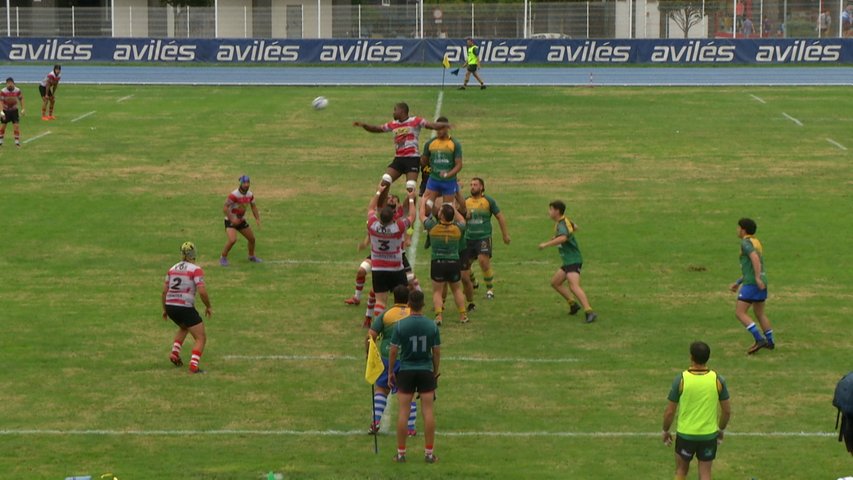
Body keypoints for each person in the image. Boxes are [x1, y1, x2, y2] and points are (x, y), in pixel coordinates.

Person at [662, 341, 731, 480]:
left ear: (691, 357)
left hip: (686, 435)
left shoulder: (681, 380)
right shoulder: (717, 380)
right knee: (705, 474)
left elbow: (670, 412)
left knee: (681, 471)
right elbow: (727, 411)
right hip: (708, 435)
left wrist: (665, 430)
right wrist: (721, 430)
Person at [388, 290, 441, 464]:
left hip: (406, 371)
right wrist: (435, 371)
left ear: (409, 304)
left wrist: (390, 372)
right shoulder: (432, 325)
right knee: (428, 411)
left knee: (403, 411)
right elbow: (436, 351)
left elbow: (394, 350)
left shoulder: (400, 325)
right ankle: (429, 454)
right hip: (425, 370)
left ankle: (401, 454)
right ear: (423, 304)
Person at [353, 103, 450, 191]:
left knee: (410, 187)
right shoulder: (393, 124)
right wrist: (364, 125)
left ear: (402, 111)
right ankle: (378, 208)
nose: (393, 112)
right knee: (385, 181)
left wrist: (446, 125)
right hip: (398, 159)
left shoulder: (416, 121)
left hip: (412, 159)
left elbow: (431, 125)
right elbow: (377, 129)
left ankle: (410, 207)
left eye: (395, 110)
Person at [367, 285, 418, 436]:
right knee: (409, 393)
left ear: (393, 297)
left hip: (387, 357)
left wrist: (369, 354)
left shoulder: (386, 315)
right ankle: (410, 428)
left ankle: (375, 422)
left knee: (382, 389)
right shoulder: (413, 315)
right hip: (408, 359)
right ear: (408, 298)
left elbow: (370, 336)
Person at [538, 200, 597, 323]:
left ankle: (589, 311)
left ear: (557, 211)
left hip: (573, 259)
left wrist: (547, 244)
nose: (549, 212)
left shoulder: (562, 224)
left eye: (550, 209)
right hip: (568, 260)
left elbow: (564, 238)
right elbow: (575, 227)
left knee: (574, 286)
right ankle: (573, 304)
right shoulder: (564, 221)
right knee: (555, 282)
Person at [367, 182, 417, 320]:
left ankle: (378, 326)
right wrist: (411, 198)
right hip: (395, 268)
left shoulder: (372, 225)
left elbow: (371, 208)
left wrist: (378, 192)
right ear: (393, 218)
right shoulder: (398, 227)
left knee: (380, 302)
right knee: (403, 301)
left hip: (378, 269)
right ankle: (404, 323)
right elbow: (412, 217)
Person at [162, 242, 213, 374]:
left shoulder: (172, 268)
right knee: (201, 338)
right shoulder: (195, 269)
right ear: (194, 253)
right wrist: (208, 306)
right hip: (184, 306)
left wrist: (164, 309)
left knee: (184, 327)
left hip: (170, 305)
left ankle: (175, 353)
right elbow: (202, 291)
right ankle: (194, 366)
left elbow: (164, 291)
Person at [729, 218, 775, 354]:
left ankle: (759, 339)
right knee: (759, 313)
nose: (737, 230)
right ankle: (770, 342)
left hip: (753, 283)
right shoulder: (756, 242)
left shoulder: (746, 243)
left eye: (738, 228)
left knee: (740, 312)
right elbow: (753, 266)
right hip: (761, 282)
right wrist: (738, 282)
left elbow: (754, 258)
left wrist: (756, 278)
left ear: (743, 230)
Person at [461, 177, 510, 305]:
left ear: (482, 187)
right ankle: (474, 282)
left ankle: (490, 290)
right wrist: (464, 216)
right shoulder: (465, 201)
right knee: (465, 267)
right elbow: (459, 218)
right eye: (471, 184)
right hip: (468, 238)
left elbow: (500, 217)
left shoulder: (488, 201)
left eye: (475, 184)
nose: (472, 187)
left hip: (483, 237)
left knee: (483, 261)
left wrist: (505, 235)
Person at [422, 202, 468, 325]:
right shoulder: (458, 229)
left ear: (441, 216)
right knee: (457, 289)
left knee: (437, 291)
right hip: (454, 261)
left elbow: (422, 215)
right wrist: (454, 208)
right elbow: (462, 220)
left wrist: (423, 202)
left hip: (438, 262)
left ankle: (438, 316)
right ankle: (463, 315)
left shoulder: (433, 227)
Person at [420, 116, 466, 216]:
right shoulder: (430, 143)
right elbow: (424, 161)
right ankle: (434, 223)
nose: (438, 131)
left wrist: (448, 174)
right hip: (433, 180)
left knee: (448, 210)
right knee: (426, 208)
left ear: (446, 128)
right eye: (437, 129)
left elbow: (459, 165)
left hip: (449, 182)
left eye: (441, 128)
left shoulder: (454, 144)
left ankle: (457, 220)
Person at [220, 175, 262, 266]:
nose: (246, 185)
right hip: (230, 221)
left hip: (241, 221)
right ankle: (223, 257)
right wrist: (232, 219)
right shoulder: (234, 195)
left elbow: (253, 207)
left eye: (248, 183)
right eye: (244, 183)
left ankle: (251, 256)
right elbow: (225, 208)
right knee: (232, 240)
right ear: (241, 183)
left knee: (252, 239)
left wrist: (257, 219)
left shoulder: (250, 195)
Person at [0, 77, 24, 148]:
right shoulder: (3, 91)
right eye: (8, 83)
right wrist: (1, 111)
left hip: (14, 110)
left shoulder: (17, 90)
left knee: (16, 126)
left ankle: (17, 142)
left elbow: (21, 98)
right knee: (3, 127)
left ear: (13, 83)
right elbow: (1, 101)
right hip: (5, 110)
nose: (10, 85)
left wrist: (23, 109)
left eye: (11, 83)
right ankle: (0, 141)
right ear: (6, 84)